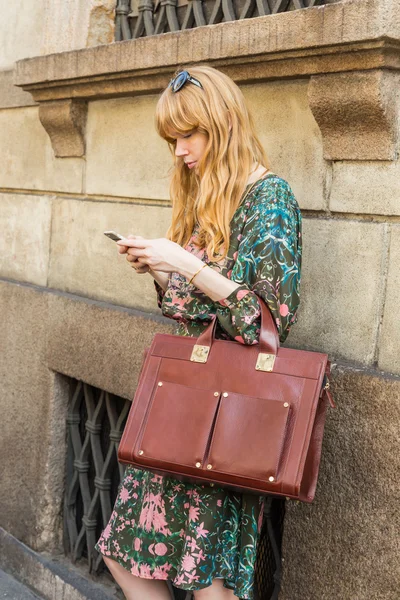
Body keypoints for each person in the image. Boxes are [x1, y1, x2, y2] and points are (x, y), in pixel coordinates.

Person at [95, 65, 302, 600]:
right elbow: (197, 310)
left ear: (222, 125)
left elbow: (262, 319)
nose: (180, 150)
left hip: (229, 410)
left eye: (189, 135)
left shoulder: (270, 198)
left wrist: (182, 264)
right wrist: (162, 269)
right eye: (172, 139)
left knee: (208, 581)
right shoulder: (209, 198)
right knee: (127, 558)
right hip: (182, 404)